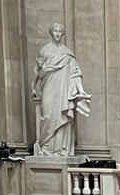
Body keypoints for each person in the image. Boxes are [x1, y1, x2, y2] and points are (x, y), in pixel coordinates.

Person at [31, 22, 91, 155]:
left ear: (62, 34)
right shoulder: (44, 50)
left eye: (60, 31)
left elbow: (75, 73)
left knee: (61, 116)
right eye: (55, 31)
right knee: (47, 115)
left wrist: (80, 91)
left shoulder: (67, 53)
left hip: (63, 90)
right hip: (48, 86)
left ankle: (60, 149)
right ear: (51, 33)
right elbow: (37, 70)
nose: (57, 33)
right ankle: (45, 147)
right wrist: (33, 87)